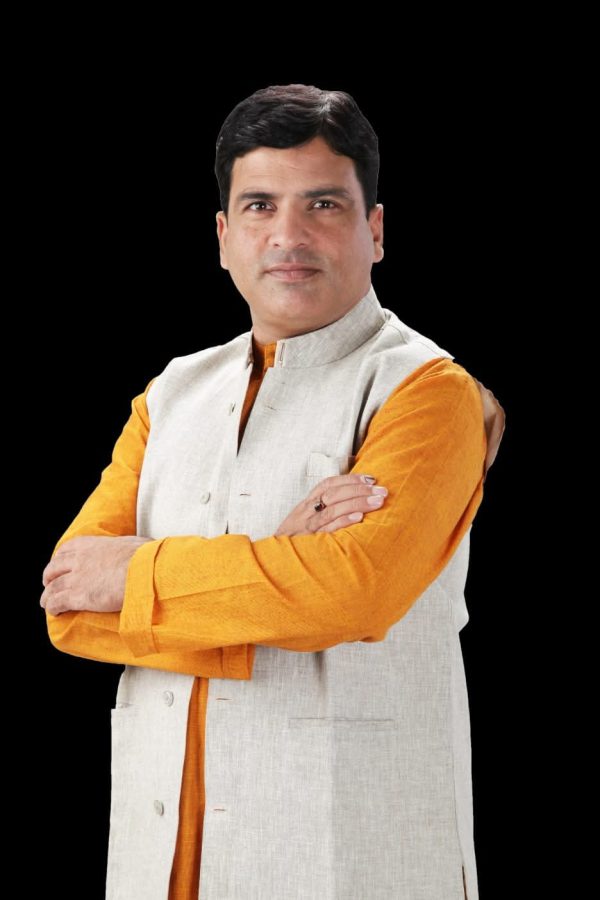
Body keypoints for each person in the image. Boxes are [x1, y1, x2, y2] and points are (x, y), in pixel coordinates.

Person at [41, 83, 505, 900]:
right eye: (259, 206)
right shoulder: (170, 396)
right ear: (224, 236)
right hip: (158, 865)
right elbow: (70, 604)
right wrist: (276, 566)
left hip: (348, 858)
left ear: (376, 230)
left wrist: (141, 582)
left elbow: (353, 594)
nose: (288, 236)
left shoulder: (428, 393)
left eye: (323, 203)